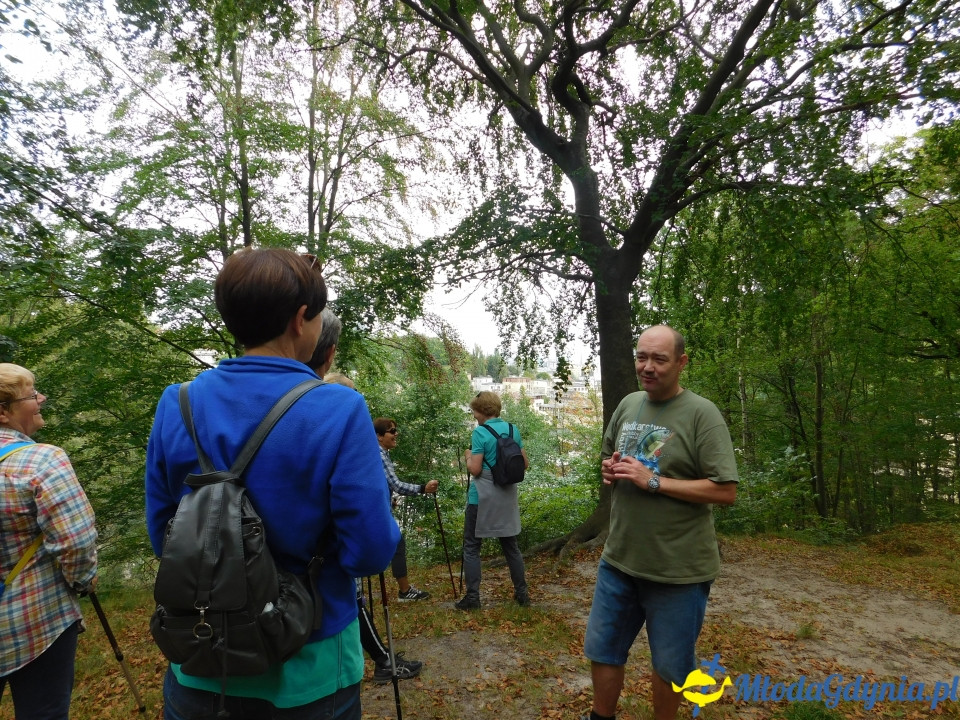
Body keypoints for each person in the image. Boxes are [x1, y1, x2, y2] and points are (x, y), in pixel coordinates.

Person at [146, 248, 400, 720]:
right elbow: (369, 552)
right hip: (310, 661)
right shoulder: (338, 409)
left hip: (203, 653)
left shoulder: (177, 403)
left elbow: (165, 534)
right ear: (301, 319)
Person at [582, 325, 738, 720]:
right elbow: (609, 458)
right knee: (602, 649)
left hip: (678, 571)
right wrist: (609, 469)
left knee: (669, 667)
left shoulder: (702, 415)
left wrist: (653, 481)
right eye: (641, 358)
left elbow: (725, 490)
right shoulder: (629, 404)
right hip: (619, 560)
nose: (647, 368)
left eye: (659, 359)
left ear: (681, 363)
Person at [306, 313, 423, 684]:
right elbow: (371, 521)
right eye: (351, 393)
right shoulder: (349, 434)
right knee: (353, 600)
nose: (356, 400)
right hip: (332, 558)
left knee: (353, 602)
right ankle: (383, 660)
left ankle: (383, 657)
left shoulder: (184, 403)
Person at [0, 363, 98, 719]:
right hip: (35, 621)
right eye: (31, 395)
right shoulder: (40, 460)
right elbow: (76, 540)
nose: (41, 399)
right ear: (4, 412)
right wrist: (83, 580)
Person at [456, 390, 530, 611]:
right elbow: (524, 464)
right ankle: (522, 594)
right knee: (511, 547)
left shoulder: (480, 433)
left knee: (471, 546)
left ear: (482, 410)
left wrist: (468, 456)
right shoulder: (512, 430)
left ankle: (472, 598)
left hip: (482, 498)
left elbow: (476, 470)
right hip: (507, 497)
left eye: (474, 411)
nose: (474, 416)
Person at [374, 418, 437, 601]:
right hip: (377, 512)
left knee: (396, 544)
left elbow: (381, 483)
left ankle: (404, 590)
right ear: (379, 436)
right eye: (391, 431)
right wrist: (422, 488)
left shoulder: (382, 453)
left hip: (379, 507)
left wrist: (388, 498)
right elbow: (396, 484)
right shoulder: (379, 454)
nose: (396, 434)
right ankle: (404, 591)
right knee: (397, 543)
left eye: (395, 430)